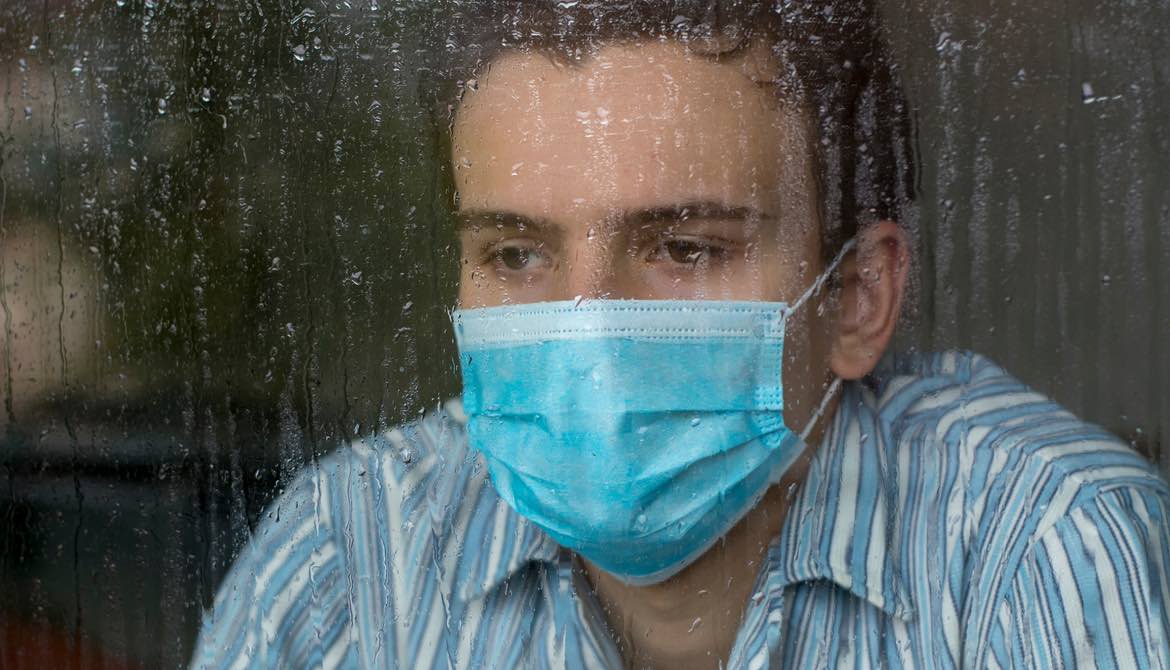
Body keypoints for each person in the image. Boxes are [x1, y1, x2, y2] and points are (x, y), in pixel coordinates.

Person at [191, 2, 1170, 668]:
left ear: (859, 297)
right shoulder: (350, 559)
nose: (588, 325)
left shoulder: (1041, 549)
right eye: (517, 255)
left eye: (684, 247)